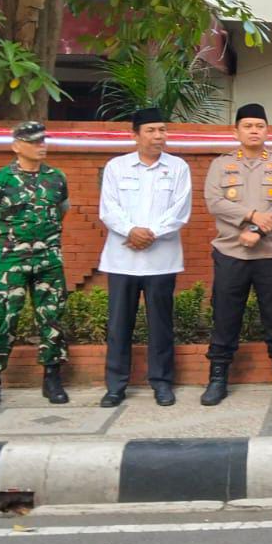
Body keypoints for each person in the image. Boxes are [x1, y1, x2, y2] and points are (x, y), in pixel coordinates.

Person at [200, 104, 272, 406]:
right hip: (231, 251)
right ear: (236, 131)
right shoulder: (221, 165)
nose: (254, 130)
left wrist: (257, 231)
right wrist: (252, 215)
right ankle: (218, 378)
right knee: (225, 316)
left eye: (259, 125)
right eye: (248, 125)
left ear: (267, 130)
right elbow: (214, 201)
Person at [0, 121, 71, 411]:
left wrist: (40, 240)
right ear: (16, 145)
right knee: (2, 319)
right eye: (34, 141)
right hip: (10, 261)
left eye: (43, 140)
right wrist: (3, 245)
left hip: (48, 260)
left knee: (51, 318)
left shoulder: (56, 178)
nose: (42, 145)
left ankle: (52, 379)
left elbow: (61, 213)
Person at [97, 107, 191, 408]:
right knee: (118, 325)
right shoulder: (116, 167)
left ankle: (162, 383)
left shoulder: (178, 168)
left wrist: (150, 233)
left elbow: (180, 210)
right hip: (122, 259)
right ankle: (115, 385)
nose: (158, 136)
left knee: (161, 324)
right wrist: (131, 230)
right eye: (151, 130)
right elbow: (108, 208)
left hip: (161, 259)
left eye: (162, 130)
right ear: (135, 134)